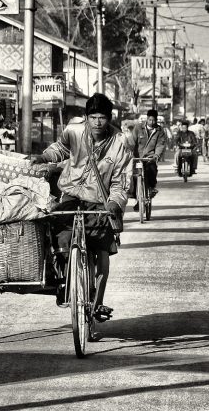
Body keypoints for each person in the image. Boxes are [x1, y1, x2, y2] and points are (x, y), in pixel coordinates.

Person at [34, 93, 132, 322]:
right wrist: (42, 157)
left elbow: (121, 182)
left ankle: (96, 303)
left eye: (102, 118)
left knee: (102, 253)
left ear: (110, 119)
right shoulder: (74, 131)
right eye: (93, 117)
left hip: (101, 203)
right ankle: (65, 282)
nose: (97, 122)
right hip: (70, 194)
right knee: (59, 237)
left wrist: (114, 203)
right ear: (86, 117)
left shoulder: (120, 143)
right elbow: (60, 148)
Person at [130, 109, 166, 211]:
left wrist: (156, 155)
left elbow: (160, 144)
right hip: (137, 158)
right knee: (134, 176)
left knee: (152, 170)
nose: (152, 122)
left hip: (150, 158)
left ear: (156, 120)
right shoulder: (138, 128)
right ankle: (138, 199)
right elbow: (132, 141)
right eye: (150, 120)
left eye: (154, 120)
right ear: (147, 119)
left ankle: (151, 189)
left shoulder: (160, 131)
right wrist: (129, 152)